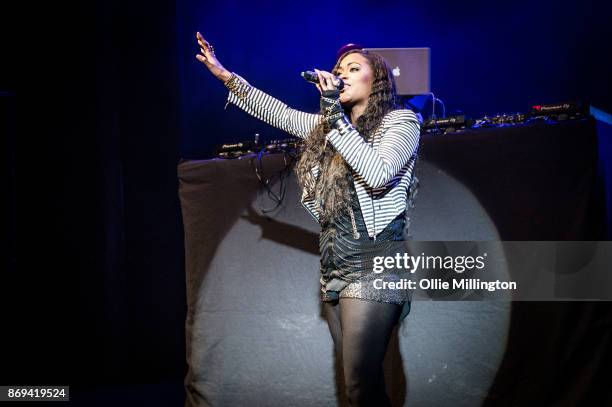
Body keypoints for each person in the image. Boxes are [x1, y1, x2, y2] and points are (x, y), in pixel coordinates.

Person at [195, 32, 421, 406]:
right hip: (334, 268)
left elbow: (379, 175)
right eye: (338, 70)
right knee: (361, 388)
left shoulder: (401, 121)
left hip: (374, 263)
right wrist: (225, 76)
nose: (342, 74)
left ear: (377, 80)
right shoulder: (328, 129)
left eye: (354, 68)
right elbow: (279, 112)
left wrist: (333, 114)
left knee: (360, 387)